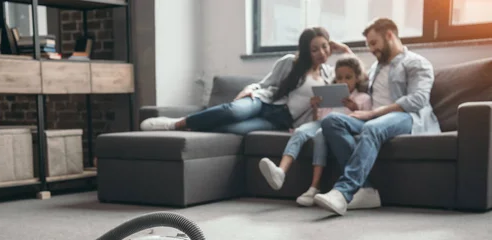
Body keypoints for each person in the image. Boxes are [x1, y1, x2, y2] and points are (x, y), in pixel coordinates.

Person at [313, 18, 441, 216]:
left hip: (406, 117)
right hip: (375, 118)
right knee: (331, 122)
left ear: (390, 35)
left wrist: (373, 113)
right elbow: (354, 72)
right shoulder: (375, 68)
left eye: (374, 43)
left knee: (371, 127)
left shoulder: (416, 62)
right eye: (368, 45)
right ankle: (366, 190)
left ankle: (342, 192)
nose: (371, 49)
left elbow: (419, 99)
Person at [139, 27, 352, 135]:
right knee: (232, 112)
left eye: (325, 47)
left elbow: (354, 70)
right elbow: (265, 84)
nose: (322, 53)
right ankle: (175, 124)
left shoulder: (328, 75)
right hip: (263, 101)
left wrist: (344, 48)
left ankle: (193, 128)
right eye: (315, 49)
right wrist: (249, 90)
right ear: (306, 50)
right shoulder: (290, 63)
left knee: (235, 130)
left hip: (280, 120)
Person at [258, 55, 372, 207]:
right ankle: (281, 172)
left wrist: (354, 108)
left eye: (348, 77)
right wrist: (315, 107)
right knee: (300, 131)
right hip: (321, 122)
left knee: (320, 135)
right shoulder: (330, 94)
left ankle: (314, 188)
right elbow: (317, 119)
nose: (343, 81)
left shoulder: (363, 98)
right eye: (339, 78)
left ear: (357, 78)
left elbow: (365, 121)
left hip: (339, 127)